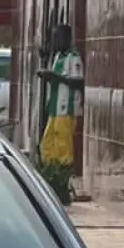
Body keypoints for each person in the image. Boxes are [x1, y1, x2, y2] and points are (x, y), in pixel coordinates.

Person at [37, 23, 83, 172]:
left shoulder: (73, 57)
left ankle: (63, 174)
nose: (55, 42)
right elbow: (56, 80)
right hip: (54, 108)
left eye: (58, 38)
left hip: (66, 109)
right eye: (53, 38)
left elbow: (79, 82)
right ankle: (51, 172)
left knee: (63, 145)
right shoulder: (58, 57)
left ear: (67, 38)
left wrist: (55, 76)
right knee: (47, 144)